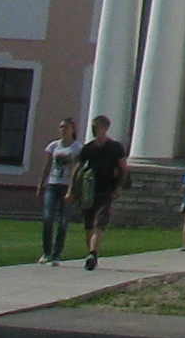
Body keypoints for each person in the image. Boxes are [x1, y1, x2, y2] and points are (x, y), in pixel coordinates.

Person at [71, 116, 128, 270]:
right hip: (89, 190)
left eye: (97, 126)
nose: (95, 129)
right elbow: (78, 168)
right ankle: (90, 253)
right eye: (94, 126)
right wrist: (73, 189)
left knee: (99, 223)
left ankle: (93, 253)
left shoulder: (115, 147)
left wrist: (120, 186)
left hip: (107, 189)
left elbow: (123, 167)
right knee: (89, 224)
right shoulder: (88, 148)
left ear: (105, 128)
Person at [36, 118, 79, 263]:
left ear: (73, 129)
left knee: (63, 221)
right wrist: (41, 184)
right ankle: (46, 251)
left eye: (66, 127)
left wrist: (72, 190)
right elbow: (47, 166)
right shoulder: (54, 146)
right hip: (52, 185)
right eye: (61, 127)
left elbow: (75, 170)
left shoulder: (76, 148)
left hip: (67, 186)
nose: (63, 130)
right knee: (48, 218)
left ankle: (56, 253)